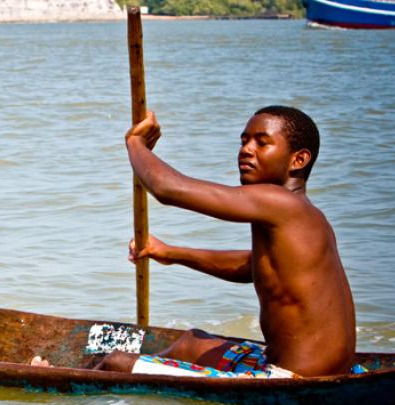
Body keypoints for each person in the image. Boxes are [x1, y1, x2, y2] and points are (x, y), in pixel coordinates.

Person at [95, 106, 356, 377]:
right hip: (328, 368)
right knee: (191, 343)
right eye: (244, 141)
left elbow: (167, 188)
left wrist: (136, 143)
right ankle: (144, 366)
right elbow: (253, 266)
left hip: (293, 377)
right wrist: (170, 253)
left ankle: (88, 375)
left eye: (262, 143)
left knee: (117, 364)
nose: (246, 150)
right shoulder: (306, 215)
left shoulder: (279, 203)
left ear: (298, 160)